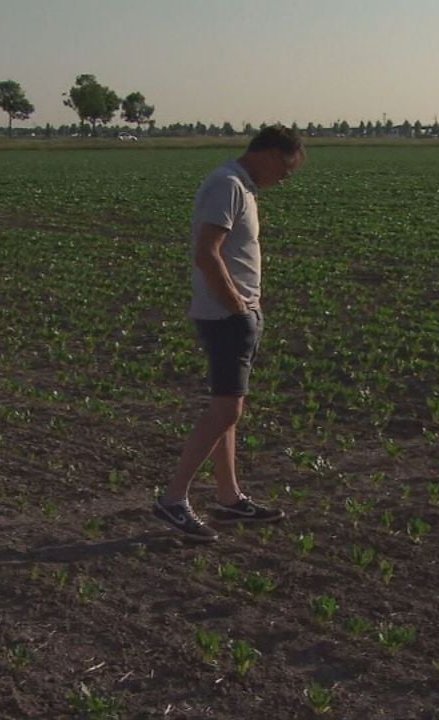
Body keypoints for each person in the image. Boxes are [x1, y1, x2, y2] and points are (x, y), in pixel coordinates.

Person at [153, 126, 306, 542]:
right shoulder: (229, 185)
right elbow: (207, 253)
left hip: (233, 313)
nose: (287, 177)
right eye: (288, 167)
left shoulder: (240, 186)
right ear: (271, 153)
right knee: (227, 409)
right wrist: (237, 307)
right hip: (225, 316)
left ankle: (228, 497)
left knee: (227, 407)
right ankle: (174, 499)